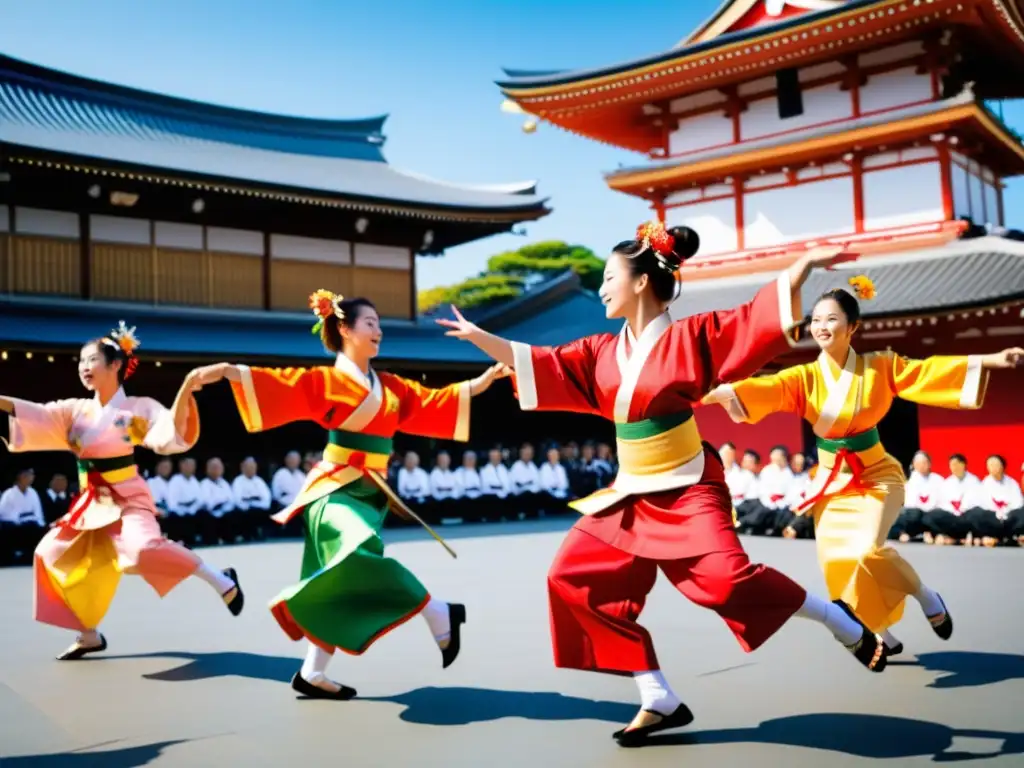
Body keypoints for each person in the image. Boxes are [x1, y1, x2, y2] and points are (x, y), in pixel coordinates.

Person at [438, 221, 886, 746]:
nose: (602, 287)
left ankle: (838, 619)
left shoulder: (691, 337)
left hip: (687, 484)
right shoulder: (601, 351)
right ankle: (658, 696)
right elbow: (543, 362)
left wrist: (802, 266)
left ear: (642, 282)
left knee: (724, 582)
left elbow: (751, 322)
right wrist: (480, 338)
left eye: (609, 277)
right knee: (571, 578)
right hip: (630, 491)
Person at [186, 291, 508, 700]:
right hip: (333, 488)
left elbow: (434, 400)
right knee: (356, 556)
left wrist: (484, 381)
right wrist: (227, 370)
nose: (378, 330)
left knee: (336, 580)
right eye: (370, 323)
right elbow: (279, 383)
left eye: (379, 324)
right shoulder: (325, 381)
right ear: (344, 328)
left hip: (371, 493)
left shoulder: (390, 387)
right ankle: (436, 611)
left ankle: (312, 672)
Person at [705, 276, 1023, 657]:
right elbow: (762, 388)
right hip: (831, 482)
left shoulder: (879, 367)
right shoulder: (804, 378)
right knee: (837, 561)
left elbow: (926, 371)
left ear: (853, 327)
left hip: (875, 475)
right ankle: (882, 632)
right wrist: (702, 390)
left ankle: (925, 595)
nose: (821, 327)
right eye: (816, 319)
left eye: (832, 319)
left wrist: (990, 359)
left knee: (865, 551)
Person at [0, 322, 243, 660]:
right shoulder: (75, 411)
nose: (84, 367)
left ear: (114, 365)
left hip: (126, 498)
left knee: (142, 552)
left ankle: (220, 579)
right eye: (81, 362)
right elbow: (38, 414)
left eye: (91, 360)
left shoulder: (135, 410)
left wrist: (186, 390)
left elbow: (165, 433)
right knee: (48, 554)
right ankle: (88, 634)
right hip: (90, 504)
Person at [966, 454, 1024, 546]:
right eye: (990, 465)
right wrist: (996, 514)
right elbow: (982, 504)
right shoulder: (984, 483)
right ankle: (990, 536)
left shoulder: (1012, 483)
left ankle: (1013, 536)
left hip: (1009, 519)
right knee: (974, 513)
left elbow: (1018, 503)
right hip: (992, 519)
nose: (993, 468)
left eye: (996, 465)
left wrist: (1005, 513)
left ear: (1002, 466)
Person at [889, 451, 944, 543]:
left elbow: (942, 501)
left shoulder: (938, 480)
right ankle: (905, 533)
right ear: (914, 465)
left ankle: (933, 533)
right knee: (908, 515)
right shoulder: (910, 482)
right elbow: (910, 505)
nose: (921, 466)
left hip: (932, 515)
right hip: (916, 516)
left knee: (937, 517)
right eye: (918, 463)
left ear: (929, 464)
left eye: (924, 463)